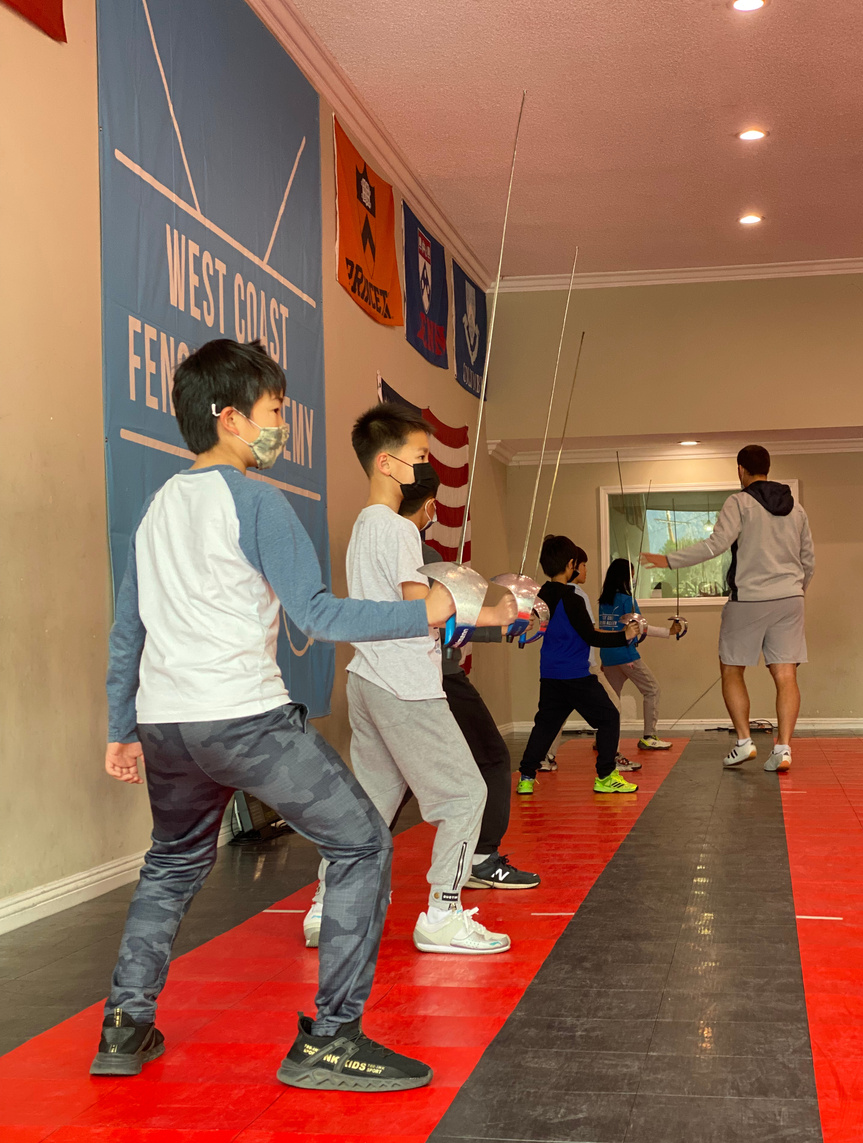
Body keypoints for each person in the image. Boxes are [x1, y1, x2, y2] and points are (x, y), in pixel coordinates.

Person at [96, 339, 457, 1092]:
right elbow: (318, 615)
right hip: (242, 722)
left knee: (171, 864)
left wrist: (121, 727)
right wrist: (429, 611)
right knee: (362, 842)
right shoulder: (257, 499)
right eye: (273, 412)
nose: (280, 426)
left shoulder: (158, 505)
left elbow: (129, 625)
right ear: (229, 418)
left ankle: (126, 1026)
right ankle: (332, 1040)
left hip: (168, 726)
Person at [304, 402, 516, 956]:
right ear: (387, 463)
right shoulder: (398, 529)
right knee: (466, 794)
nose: (424, 467)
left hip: (367, 679)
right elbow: (420, 606)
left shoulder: (362, 526)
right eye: (419, 456)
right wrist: (493, 606)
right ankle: (443, 913)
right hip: (404, 683)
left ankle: (328, 905)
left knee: (370, 805)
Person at [643, 444, 814, 772]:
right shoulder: (797, 509)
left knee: (732, 669)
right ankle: (783, 748)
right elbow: (809, 560)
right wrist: (795, 592)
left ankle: (744, 742)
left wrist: (669, 560)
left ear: (741, 470)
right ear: (768, 467)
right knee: (786, 673)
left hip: (748, 599)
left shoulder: (739, 501)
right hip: (791, 600)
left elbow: (715, 544)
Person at [409, 492, 540, 891]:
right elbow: (437, 619)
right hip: (435, 675)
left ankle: (334, 891)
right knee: (491, 758)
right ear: (429, 504)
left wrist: (500, 628)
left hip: (384, 678)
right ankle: (480, 859)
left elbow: (442, 621)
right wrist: (503, 620)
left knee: (388, 783)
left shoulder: (372, 542)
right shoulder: (419, 551)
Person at [516, 535, 640, 796]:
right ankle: (606, 776)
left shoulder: (541, 594)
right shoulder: (571, 597)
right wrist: (625, 635)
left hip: (550, 674)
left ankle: (526, 777)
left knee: (545, 725)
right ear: (571, 564)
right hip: (575, 675)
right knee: (609, 718)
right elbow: (591, 636)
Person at [598, 557, 681, 750]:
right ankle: (649, 736)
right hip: (626, 656)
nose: (634, 580)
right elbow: (641, 628)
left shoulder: (603, 601)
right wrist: (668, 632)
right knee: (652, 689)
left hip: (608, 657)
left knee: (612, 701)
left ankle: (605, 740)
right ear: (625, 578)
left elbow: (606, 629)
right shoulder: (628, 601)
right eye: (632, 577)